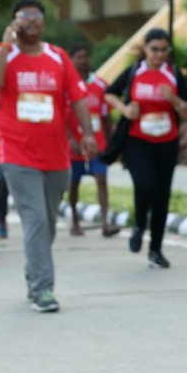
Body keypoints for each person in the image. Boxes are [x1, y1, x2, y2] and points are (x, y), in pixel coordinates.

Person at [0, 0, 98, 313]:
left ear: (44, 22)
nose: (31, 21)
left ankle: (34, 273)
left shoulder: (58, 57)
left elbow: (78, 98)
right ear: (14, 22)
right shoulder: (0, 55)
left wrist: (87, 133)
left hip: (56, 156)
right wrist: (5, 47)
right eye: (24, 16)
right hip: (16, 152)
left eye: (37, 16)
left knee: (47, 223)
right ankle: (44, 290)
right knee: (35, 219)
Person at [102, 28, 187, 269]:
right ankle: (139, 223)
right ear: (145, 49)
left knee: (162, 196)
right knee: (145, 186)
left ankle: (155, 249)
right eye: (155, 49)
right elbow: (109, 94)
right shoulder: (135, 72)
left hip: (166, 143)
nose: (159, 54)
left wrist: (174, 100)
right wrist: (125, 110)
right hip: (137, 141)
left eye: (164, 50)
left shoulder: (173, 74)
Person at [66, 43, 118, 238]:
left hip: (98, 143)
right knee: (74, 183)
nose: (83, 60)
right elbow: (62, 117)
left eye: (85, 56)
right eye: (78, 57)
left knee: (101, 178)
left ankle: (105, 222)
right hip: (75, 146)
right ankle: (75, 221)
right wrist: (70, 139)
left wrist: (112, 143)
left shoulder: (100, 85)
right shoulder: (67, 86)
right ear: (71, 60)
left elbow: (106, 116)